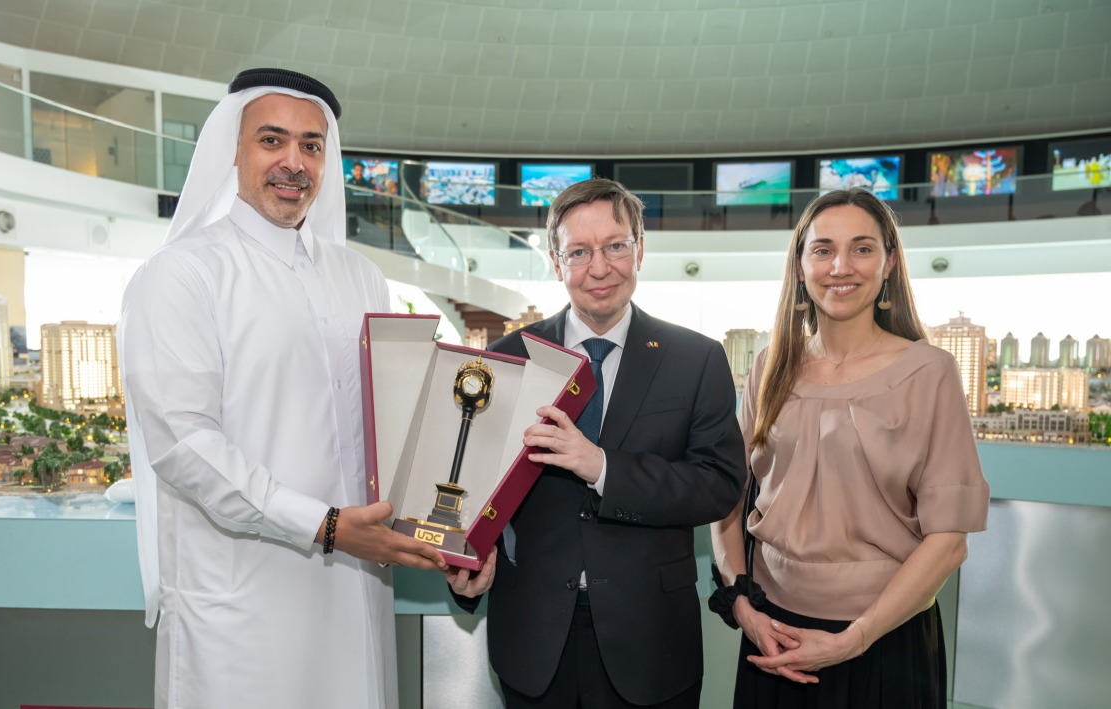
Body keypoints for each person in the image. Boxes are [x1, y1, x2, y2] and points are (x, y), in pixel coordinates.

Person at [120, 68, 446, 709]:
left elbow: (388, 429)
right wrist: (325, 526)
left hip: (353, 588)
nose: (293, 162)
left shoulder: (361, 278)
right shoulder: (181, 275)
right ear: (233, 151)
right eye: (272, 141)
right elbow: (184, 445)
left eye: (311, 145)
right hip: (242, 603)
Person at [449, 177, 748, 708]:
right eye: (580, 252)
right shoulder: (507, 356)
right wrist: (468, 563)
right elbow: (472, 487)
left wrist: (603, 466)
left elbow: (718, 486)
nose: (600, 267)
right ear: (556, 261)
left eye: (615, 246)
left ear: (640, 249)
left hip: (652, 642)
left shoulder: (695, 359)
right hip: (534, 641)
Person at [709, 188, 990, 707]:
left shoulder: (930, 371)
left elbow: (949, 540)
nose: (841, 266)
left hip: (884, 641)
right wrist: (742, 603)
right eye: (822, 249)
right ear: (799, 265)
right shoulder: (768, 366)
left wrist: (854, 639)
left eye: (862, 248)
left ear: (888, 264)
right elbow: (727, 497)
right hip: (772, 636)